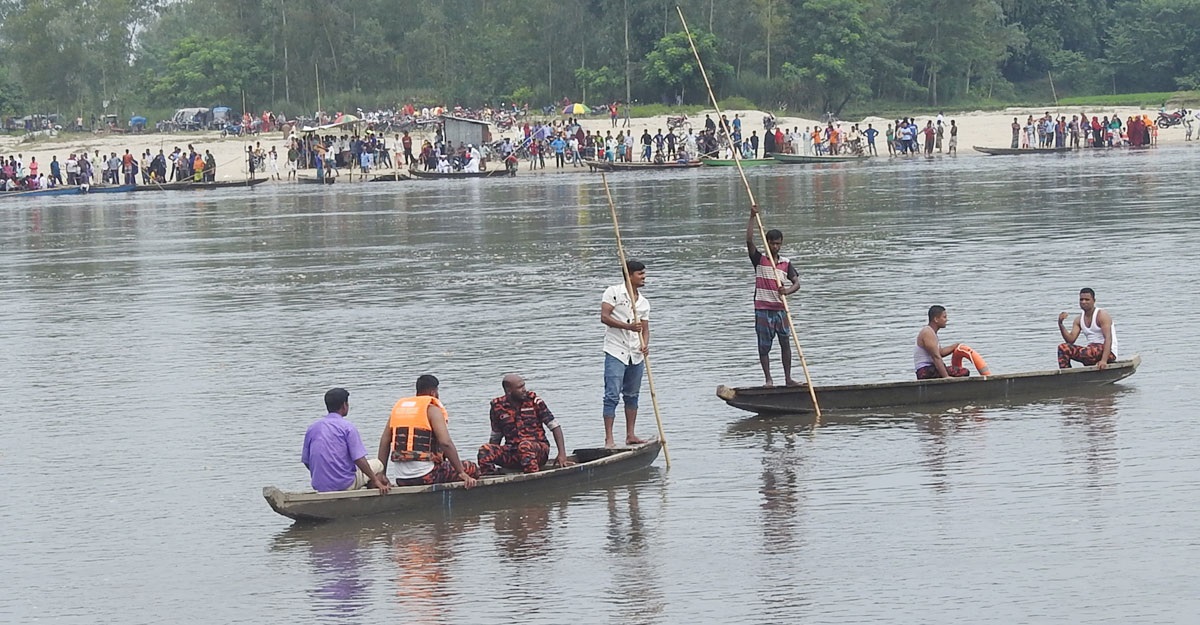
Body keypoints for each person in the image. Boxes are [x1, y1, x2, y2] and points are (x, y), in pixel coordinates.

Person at [378, 375, 478, 488]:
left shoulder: (399, 411)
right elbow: (445, 443)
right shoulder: (432, 410)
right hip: (427, 476)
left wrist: (381, 474)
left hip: (401, 478)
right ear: (433, 392)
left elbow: (384, 442)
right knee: (471, 467)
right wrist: (461, 473)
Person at [747, 206, 800, 387]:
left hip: (780, 310)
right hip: (763, 309)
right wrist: (752, 217)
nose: (775, 246)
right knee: (764, 346)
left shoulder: (786, 263)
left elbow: (797, 283)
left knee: (785, 343)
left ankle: (788, 379)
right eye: (772, 243)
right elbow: (748, 242)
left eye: (778, 243)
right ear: (767, 242)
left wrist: (788, 290)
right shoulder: (760, 260)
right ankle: (768, 379)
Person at [600, 260, 651, 448]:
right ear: (629, 275)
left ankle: (631, 434)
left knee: (632, 394)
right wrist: (627, 326)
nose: (644, 277)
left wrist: (645, 344)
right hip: (616, 350)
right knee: (612, 394)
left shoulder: (643, 303)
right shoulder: (613, 292)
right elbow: (604, 317)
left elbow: (645, 328)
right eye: (640, 274)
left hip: (635, 353)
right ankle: (609, 438)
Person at [478, 374, 574, 474]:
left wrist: (562, 454)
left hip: (537, 451)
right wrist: (492, 456)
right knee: (485, 450)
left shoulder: (534, 401)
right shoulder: (497, 407)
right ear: (509, 390)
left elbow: (555, 427)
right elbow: (495, 437)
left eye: (523, 386)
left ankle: (533, 480)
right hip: (513, 452)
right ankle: (493, 481)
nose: (524, 389)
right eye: (520, 387)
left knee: (525, 446)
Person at [301, 387, 390, 493]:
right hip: (344, 484)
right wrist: (375, 480)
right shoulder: (347, 427)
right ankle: (376, 491)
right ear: (344, 405)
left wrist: (324, 474)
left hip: (321, 486)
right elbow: (359, 459)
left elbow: (307, 461)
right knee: (378, 464)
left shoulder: (312, 428)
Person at [1057, 288, 1118, 369]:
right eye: (1081, 300)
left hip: (1107, 352)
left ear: (1094, 301)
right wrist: (1060, 324)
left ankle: (1098, 360)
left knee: (1089, 351)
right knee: (1063, 348)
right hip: (1090, 351)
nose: (1084, 302)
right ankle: (1067, 374)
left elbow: (1108, 338)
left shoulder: (1102, 315)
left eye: (1087, 300)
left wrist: (1104, 360)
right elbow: (1070, 340)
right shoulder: (1079, 319)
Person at [915, 305, 968, 379]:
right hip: (925, 370)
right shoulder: (927, 332)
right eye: (944, 317)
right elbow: (936, 357)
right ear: (936, 319)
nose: (946, 320)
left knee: (959, 371)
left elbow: (940, 353)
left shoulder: (932, 333)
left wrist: (955, 346)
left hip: (930, 369)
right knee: (963, 372)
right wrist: (946, 377)